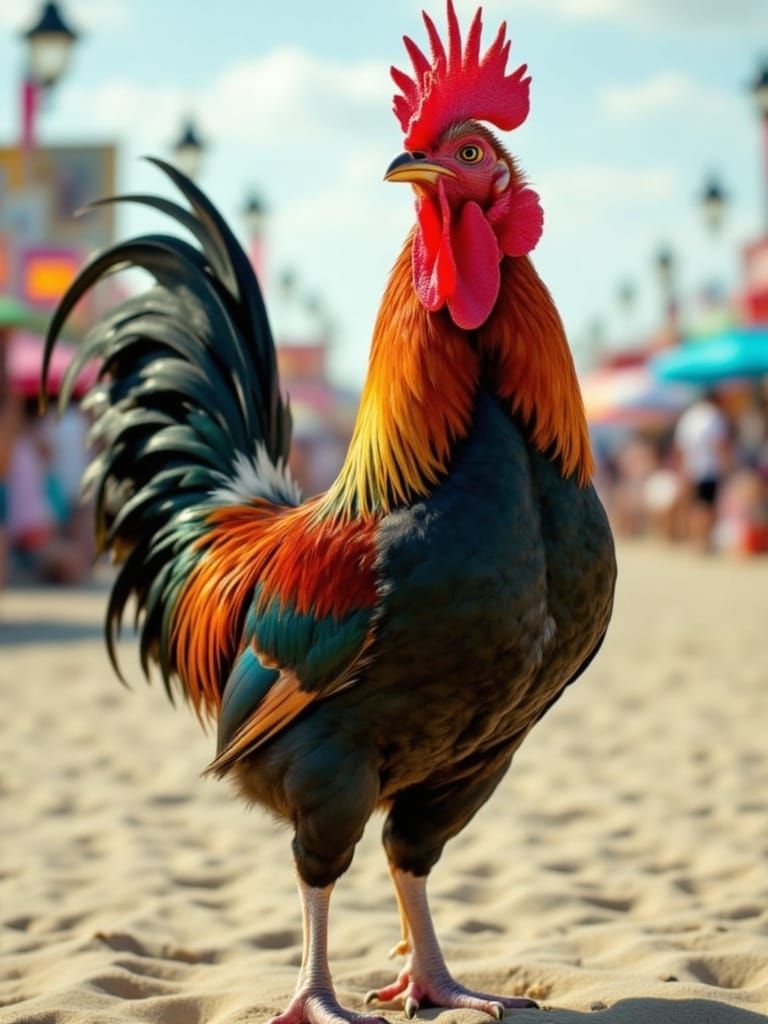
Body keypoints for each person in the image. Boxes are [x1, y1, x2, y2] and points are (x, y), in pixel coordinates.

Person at [674, 390, 730, 552]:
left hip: (691, 467)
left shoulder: (689, 417)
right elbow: (719, 444)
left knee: (695, 505)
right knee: (706, 506)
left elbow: (680, 447)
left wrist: (682, 469)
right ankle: (702, 541)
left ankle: (695, 539)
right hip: (709, 467)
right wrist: (727, 465)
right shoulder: (715, 416)